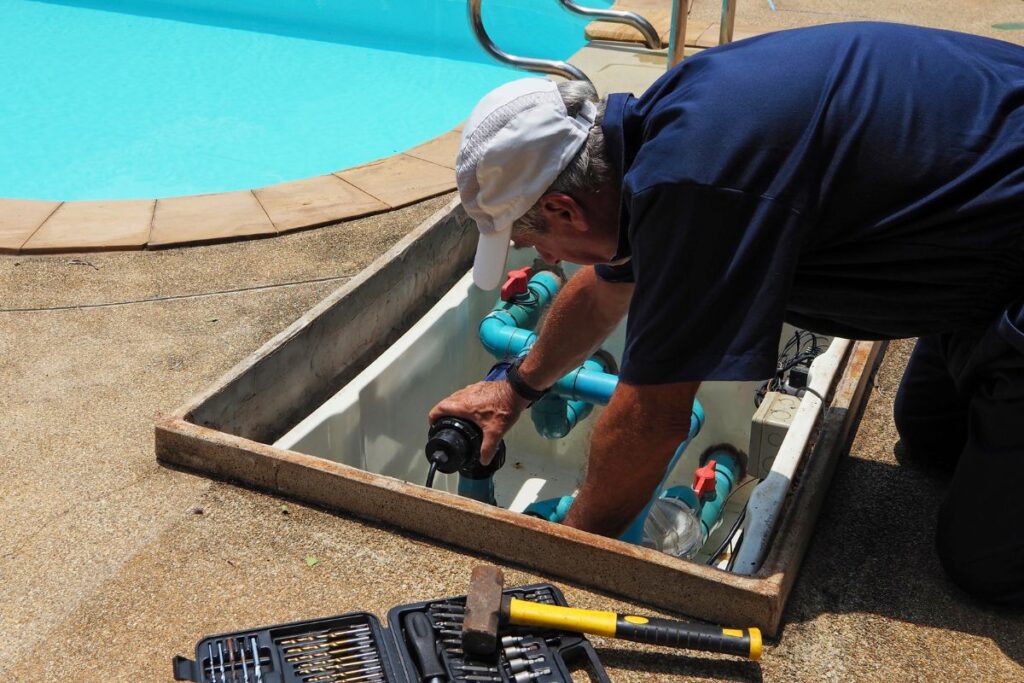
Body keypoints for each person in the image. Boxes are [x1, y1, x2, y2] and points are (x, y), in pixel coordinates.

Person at [429, 21, 1024, 605]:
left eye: (538, 243)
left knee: (984, 565)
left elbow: (653, 419)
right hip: (991, 225)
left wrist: (564, 556)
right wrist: (516, 387)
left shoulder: (697, 186)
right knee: (932, 439)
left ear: (564, 207)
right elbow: (608, 286)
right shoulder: (660, 131)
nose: (546, 259)